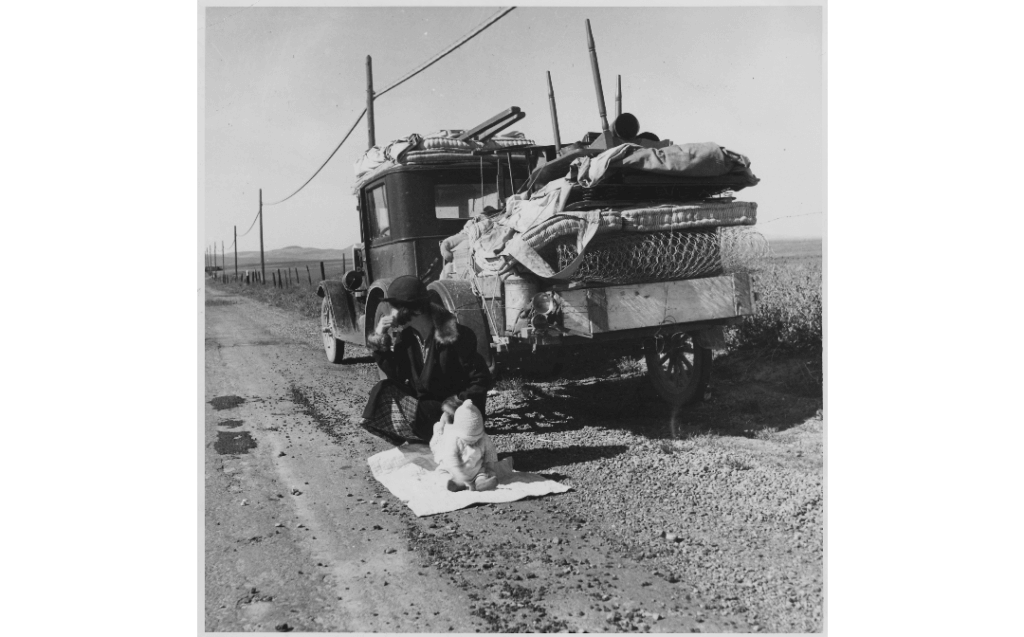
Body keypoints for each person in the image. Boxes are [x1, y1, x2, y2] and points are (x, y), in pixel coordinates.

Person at [358, 275, 492, 445]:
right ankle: (420, 441)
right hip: (427, 409)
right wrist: (379, 337)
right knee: (384, 390)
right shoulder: (407, 337)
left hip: (454, 413)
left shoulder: (456, 336)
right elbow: (397, 374)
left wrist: (453, 410)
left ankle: (442, 440)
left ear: (417, 309)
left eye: (395, 307)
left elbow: (480, 380)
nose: (390, 313)